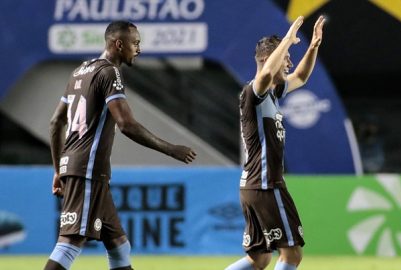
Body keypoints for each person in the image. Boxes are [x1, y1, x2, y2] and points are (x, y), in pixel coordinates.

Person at [45, 21, 197, 270]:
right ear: (118, 44)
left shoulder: (79, 72)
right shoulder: (109, 72)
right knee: (70, 244)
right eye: (135, 43)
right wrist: (171, 149)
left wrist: (58, 169)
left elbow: (54, 123)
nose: (138, 49)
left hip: (84, 170)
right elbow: (126, 124)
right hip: (87, 170)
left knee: (119, 246)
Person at [226, 15, 325, 270]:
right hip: (266, 185)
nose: (289, 62)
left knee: (258, 259)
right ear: (267, 59)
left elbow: (302, 77)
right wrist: (288, 39)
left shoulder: (271, 93)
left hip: (254, 186)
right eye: (286, 58)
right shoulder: (254, 92)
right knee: (291, 256)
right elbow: (268, 71)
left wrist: (313, 47)